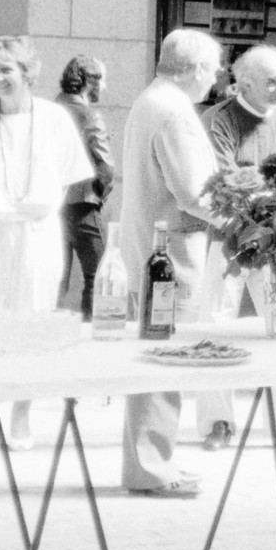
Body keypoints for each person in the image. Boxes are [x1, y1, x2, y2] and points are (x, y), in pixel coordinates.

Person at [0, 35, 94, 452]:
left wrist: (31, 207)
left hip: (37, 234)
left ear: (28, 72)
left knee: (31, 322)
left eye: (6, 69)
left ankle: (20, 416)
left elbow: (69, 179)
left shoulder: (54, 119)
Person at [195, 45, 276, 454]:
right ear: (245, 83)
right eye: (272, 81)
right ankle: (218, 422)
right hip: (228, 240)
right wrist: (273, 195)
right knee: (216, 327)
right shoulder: (218, 120)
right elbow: (223, 181)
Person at [117, 29, 227, 498]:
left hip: (149, 248)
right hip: (170, 258)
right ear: (196, 69)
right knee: (162, 362)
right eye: (214, 69)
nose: (216, 79)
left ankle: (152, 460)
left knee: (154, 360)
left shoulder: (151, 100)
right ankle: (151, 468)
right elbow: (194, 193)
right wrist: (246, 216)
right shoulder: (173, 111)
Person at [55, 54, 115, 321]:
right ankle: (92, 329)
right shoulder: (90, 115)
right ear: (91, 82)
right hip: (82, 204)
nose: (105, 87)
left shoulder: (49, 110)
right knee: (99, 274)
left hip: (50, 207)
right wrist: (99, 193)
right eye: (103, 81)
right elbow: (106, 167)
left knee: (55, 278)